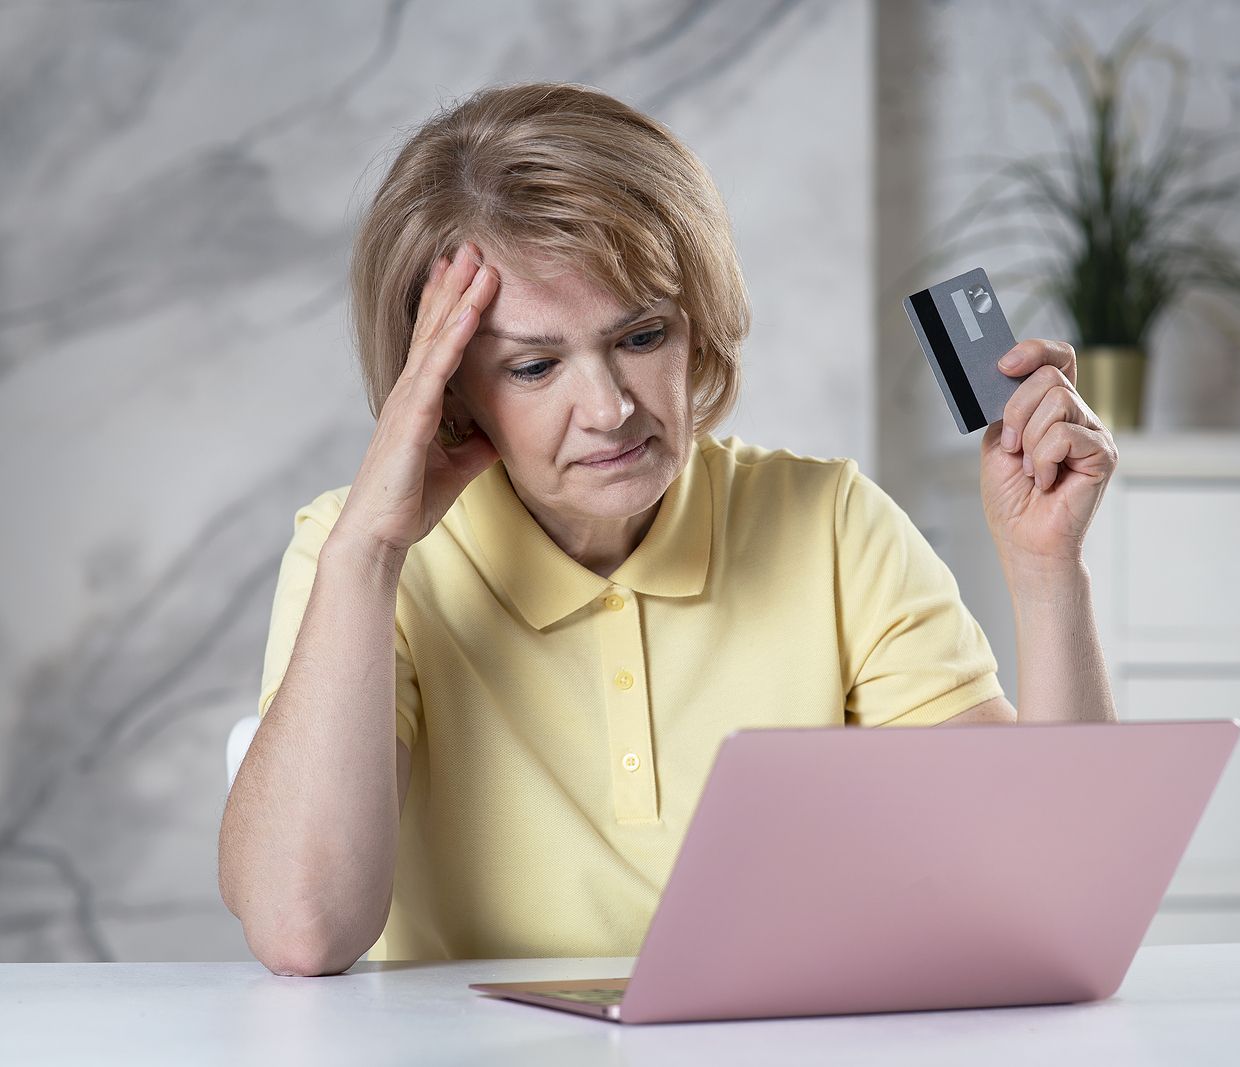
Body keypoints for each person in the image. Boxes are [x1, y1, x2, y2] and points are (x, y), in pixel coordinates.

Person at [217, 82, 1118, 978]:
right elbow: (305, 931)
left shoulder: (832, 525)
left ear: (699, 325)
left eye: (642, 336)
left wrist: (1048, 573)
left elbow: (1042, 898)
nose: (609, 409)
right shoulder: (360, 553)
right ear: (447, 389)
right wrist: (370, 555)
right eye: (534, 366)